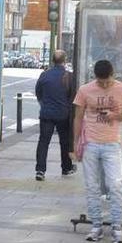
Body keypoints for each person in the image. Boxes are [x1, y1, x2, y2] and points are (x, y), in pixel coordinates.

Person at [72, 59, 122, 243]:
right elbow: (77, 118)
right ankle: (96, 225)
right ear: (95, 77)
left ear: (113, 75)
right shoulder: (85, 90)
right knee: (92, 186)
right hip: (90, 144)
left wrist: (115, 115)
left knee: (115, 185)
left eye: (107, 82)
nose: (104, 85)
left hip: (112, 144)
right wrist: (75, 145)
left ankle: (117, 227)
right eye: (100, 82)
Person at [34, 50, 76, 181]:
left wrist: (44, 104)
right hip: (63, 114)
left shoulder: (44, 75)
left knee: (43, 142)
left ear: (52, 60)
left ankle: (40, 170)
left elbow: (38, 92)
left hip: (46, 113)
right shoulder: (69, 76)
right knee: (64, 142)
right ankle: (66, 167)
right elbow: (73, 95)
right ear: (65, 60)